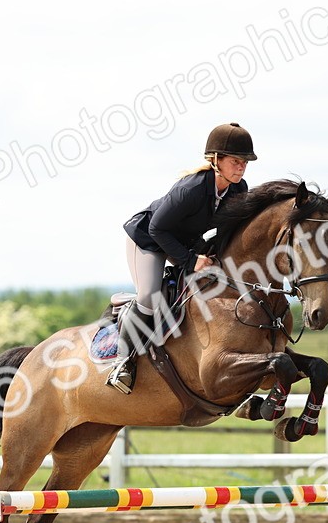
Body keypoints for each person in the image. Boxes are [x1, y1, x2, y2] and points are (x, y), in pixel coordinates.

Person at [106, 122, 256, 393]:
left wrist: (213, 257)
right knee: (149, 296)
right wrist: (190, 261)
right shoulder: (192, 188)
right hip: (148, 239)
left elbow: (226, 233)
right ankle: (121, 363)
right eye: (236, 161)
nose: (241, 167)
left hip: (183, 240)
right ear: (215, 160)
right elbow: (158, 228)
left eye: (245, 162)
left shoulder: (237, 189)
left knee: (215, 283)